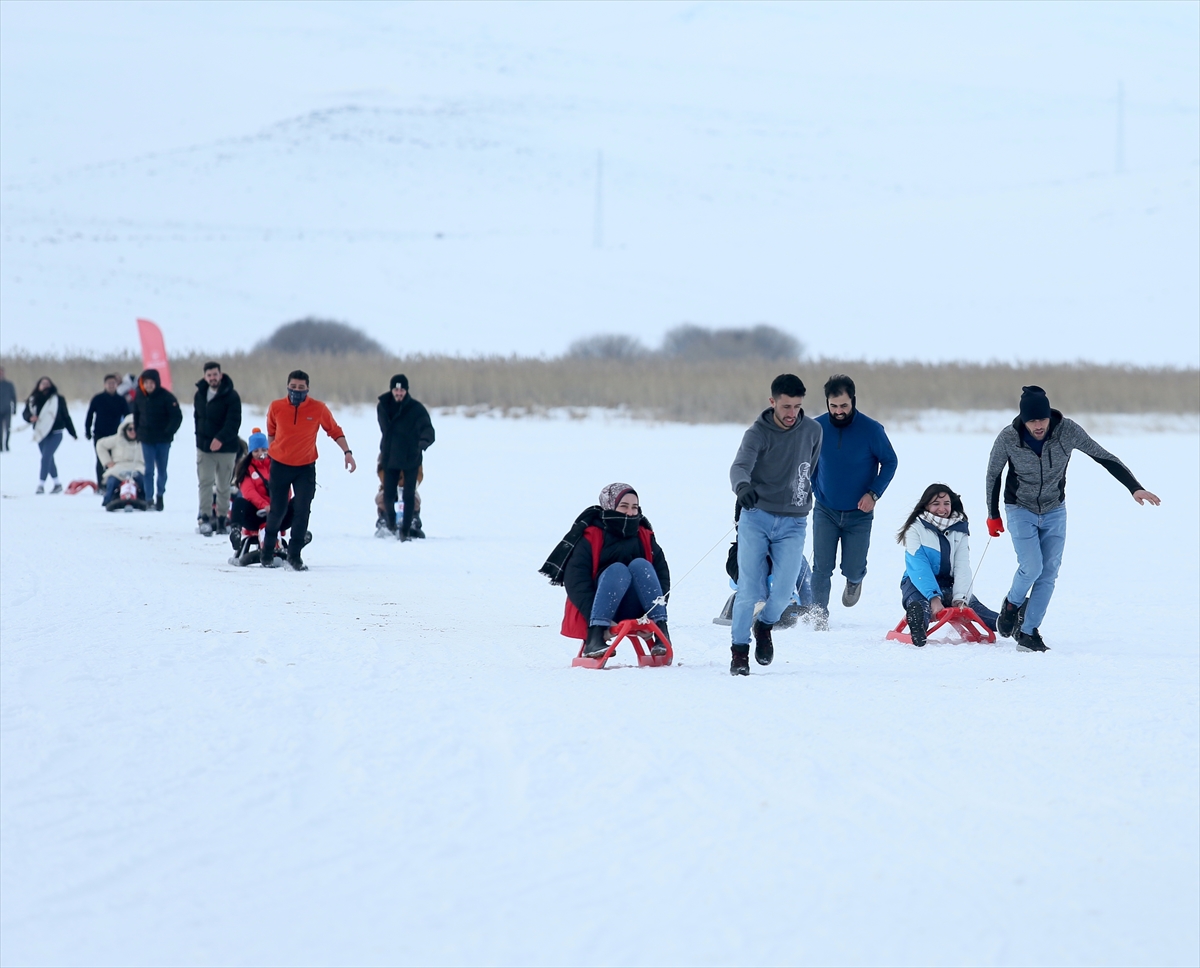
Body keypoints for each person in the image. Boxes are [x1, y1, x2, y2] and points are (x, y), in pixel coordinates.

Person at [985, 385, 1161, 652]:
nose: (1038, 425)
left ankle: (1029, 631)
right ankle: (1012, 604)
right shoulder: (1009, 438)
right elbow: (993, 475)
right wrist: (993, 515)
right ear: (1023, 419)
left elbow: (1104, 457)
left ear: (1049, 415)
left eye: (1042, 418)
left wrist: (1134, 487)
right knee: (1032, 566)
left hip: (1055, 509)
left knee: (1049, 572)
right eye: (1032, 420)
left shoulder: (1068, 431)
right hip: (1020, 508)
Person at [728, 373, 823, 675]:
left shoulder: (813, 430)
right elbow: (739, 466)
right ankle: (739, 651)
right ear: (772, 402)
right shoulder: (757, 433)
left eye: (796, 406)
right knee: (748, 591)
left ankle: (765, 625)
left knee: (783, 592)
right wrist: (743, 487)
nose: (791, 413)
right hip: (756, 517)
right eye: (785, 406)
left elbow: (812, 468)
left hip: (794, 522)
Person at [811, 374, 898, 627]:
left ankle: (854, 579)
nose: (839, 412)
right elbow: (806, 462)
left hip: (859, 513)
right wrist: (817, 490)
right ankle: (819, 616)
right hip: (825, 509)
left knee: (853, 566)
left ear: (853, 401)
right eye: (833, 406)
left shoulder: (871, 430)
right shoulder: (816, 429)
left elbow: (891, 462)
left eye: (844, 406)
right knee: (821, 567)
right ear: (827, 403)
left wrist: (873, 493)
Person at [547, 483, 671, 659]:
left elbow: (661, 576)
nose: (630, 512)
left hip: (637, 606)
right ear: (609, 506)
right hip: (600, 608)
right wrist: (594, 615)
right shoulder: (591, 535)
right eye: (624, 506)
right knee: (617, 570)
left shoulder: (644, 534)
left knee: (641, 566)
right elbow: (577, 581)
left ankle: (661, 631)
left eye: (634, 507)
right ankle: (595, 637)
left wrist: (651, 613)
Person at [261, 370, 356, 570]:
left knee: (302, 510)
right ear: (287, 387)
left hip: (305, 467)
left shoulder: (318, 408)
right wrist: (272, 454)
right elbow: (271, 432)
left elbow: (334, 430)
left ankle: (294, 556)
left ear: (307, 389)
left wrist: (347, 452)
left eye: (301, 388)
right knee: (278, 510)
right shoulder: (276, 407)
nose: (297, 391)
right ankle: (267, 551)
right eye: (293, 387)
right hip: (279, 464)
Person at [896, 484, 998, 647]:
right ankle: (918, 626)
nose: (942, 509)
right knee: (921, 603)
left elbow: (962, 565)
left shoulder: (959, 528)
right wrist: (934, 598)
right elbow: (918, 566)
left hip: (948, 584)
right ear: (926, 506)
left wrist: (960, 598)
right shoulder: (915, 528)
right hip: (917, 582)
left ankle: (1007, 623)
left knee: (974, 608)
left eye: (946, 503)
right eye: (936, 504)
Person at [376, 374, 435, 540]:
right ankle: (391, 524)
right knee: (388, 494)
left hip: (411, 457)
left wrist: (423, 443)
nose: (399, 393)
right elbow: (386, 431)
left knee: (409, 495)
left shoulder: (416, 409)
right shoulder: (383, 406)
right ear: (392, 389)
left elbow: (428, 429)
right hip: (389, 457)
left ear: (406, 391)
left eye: (402, 390)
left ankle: (406, 531)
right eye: (396, 389)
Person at [227, 428, 299, 564]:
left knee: (299, 502)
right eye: (256, 451)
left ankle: (299, 534)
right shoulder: (247, 470)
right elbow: (249, 492)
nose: (260, 454)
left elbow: (285, 488)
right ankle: (235, 532)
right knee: (239, 502)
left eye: (263, 450)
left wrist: (279, 505)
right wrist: (264, 506)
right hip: (256, 514)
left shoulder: (277, 466)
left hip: (278, 513)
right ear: (250, 453)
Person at [192, 361, 242, 535]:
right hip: (204, 449)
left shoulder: (231, 395)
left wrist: (220, 438)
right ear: (205, 377)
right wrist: (201, 441)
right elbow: (198, 419)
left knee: (223, 485)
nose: (212, 378)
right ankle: (205, 518)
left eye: (215, 374)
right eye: (209, 375)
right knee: (205, 483)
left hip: (226, 449)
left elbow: (234, 422)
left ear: (220, 375)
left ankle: (222, 518)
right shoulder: (200, 394)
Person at [131, 368, 182, 511]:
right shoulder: (139, 396)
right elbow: (136, 414)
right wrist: (137, 431)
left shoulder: (167, 397)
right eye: (146, 383)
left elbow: (177, 417)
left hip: (163, 440)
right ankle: (149, 498)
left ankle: (160, 494)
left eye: (151, 383)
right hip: (146, 439)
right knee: (148, 470)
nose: (149, 385)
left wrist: (169, 432)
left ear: (157, 383)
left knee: (162, 470)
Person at [24, 376, 77, 493]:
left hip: (55, 432)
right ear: (38, 386)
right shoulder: (33, 399)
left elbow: (66, 416)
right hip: (41, 433)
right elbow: (25, 413)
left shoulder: (58, 399)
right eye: (43, 383)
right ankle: (57, 484)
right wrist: (30, 417)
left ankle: (41, 485)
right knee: (48, 458)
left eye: (47, 383)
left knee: (45, 457)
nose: (45, 385)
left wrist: (72, 432)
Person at [84, 374, 130, 487]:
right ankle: (101, 484)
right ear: (105, 385)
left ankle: (112, 483)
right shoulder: (98, 398)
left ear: (117, 385)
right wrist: (88, 431)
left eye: (113, 383)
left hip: (116, 435)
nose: (111, 386)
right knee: (101, 460)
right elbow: (89, 415)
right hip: (100, 434)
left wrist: (129, 432)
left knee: (115, 460)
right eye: (109, 383)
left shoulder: (121, 400)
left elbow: (128, 417)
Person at [95, 414, 146, 509]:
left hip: (137, 467)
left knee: (144, 480)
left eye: (135, 429)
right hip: (119, 467)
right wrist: (107, 462)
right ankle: (107, 500)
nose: (132, 432)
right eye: (130, 429)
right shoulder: (116, 439)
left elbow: (154, 451)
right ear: (125, 429)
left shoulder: (144, 440)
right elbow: (100, 445)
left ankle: (145, 500)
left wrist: (150, 464)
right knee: (112, 481)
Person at [374, 458, 424, 538]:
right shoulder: (387, 454)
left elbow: (418, 474)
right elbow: (382, 471)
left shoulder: (414, 453)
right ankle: (384, 519)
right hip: (389, 488)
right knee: (383, 499)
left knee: (414, 499)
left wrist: (411, 483)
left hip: (408, 487)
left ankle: (413, 520)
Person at [0, 366, 16, 451]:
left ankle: (6, 444)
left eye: (2, 372)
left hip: (7, 409)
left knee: (8, 428)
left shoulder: (9, 385)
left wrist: (15, 409)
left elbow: (14, 397)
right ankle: (0, 446)